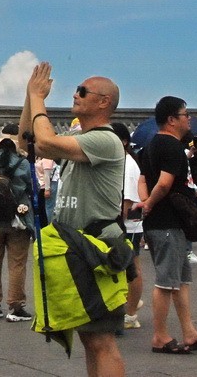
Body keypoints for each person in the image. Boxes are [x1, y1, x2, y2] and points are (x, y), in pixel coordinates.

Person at [18, 64, 127, 377]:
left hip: (96, 247)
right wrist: (31, 96)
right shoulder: (82, 138)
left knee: (102, 341)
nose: (75, 95)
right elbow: (30, 141)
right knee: (90, 338)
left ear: (103, 102)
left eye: (83, 91)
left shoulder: (105, 140)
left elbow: (47, 142)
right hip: (75, 248)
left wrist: (39, 98)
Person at [134, 96, 197, 356]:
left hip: (165, 222)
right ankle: (160, 336)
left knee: (181, 280)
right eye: (185, 114)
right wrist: (149, 205)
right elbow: (164, 183)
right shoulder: (170, 146)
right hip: (168, 221)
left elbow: (143, 178)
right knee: (166, 282)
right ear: (171, 120)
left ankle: (190, 332)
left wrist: (146, 202)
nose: (188, 118)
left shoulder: (151, 145)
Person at [0, 125, 34, 323]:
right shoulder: (24, 163)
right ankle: (15, 307)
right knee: (17, 264)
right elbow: (31, 187)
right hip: (17, 218)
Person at [112, 123, 144, 331]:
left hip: (128, 225)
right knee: (126, 269)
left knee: (132, 269)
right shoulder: (118, 161)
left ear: (124, 142)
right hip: (122, 224)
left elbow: (126, 201)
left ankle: (131, 313)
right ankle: (131, 303)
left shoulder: (128, 165)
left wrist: (116, 225)